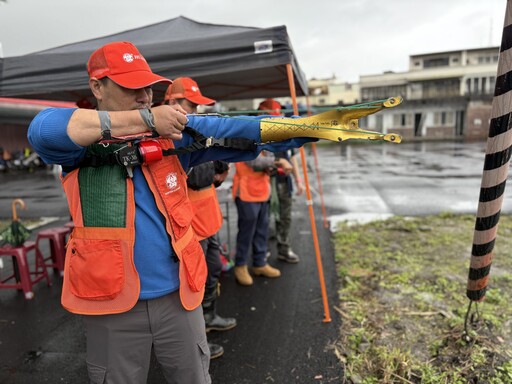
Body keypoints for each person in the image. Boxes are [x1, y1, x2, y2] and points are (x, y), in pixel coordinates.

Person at [27, 41, 313, 384]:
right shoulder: (78, 145)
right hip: (111, 302)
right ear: (97, 87)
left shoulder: (171, 140)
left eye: (147, 87)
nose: (144, 95)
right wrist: (145, 119)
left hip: (180, 297)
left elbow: (230, 129)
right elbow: (42, 130)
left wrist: (303, 128)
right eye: (131, 87)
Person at [164, 77, 236, 360]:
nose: (197, 110)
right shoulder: (170, 134)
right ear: (172, 103)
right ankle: (196, 341)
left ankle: (208, 318)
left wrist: (215, 169)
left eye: (197, 105)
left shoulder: (193, 129)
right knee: (194, 280)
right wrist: (213, 171)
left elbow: (216, 170)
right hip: (190, 226)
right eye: (191, 104)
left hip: (208, 220)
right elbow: (198, 175)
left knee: (211, 273)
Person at [258, 99, 305, 263]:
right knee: (264, 219)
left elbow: (293, 159)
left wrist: (298, 180)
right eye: (275, 113)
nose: (279, 116)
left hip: (285, 182)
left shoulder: (287, 132)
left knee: (285, 217)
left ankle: (283, 248)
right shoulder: (258, 132)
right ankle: (261, 251)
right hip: (265, 181)